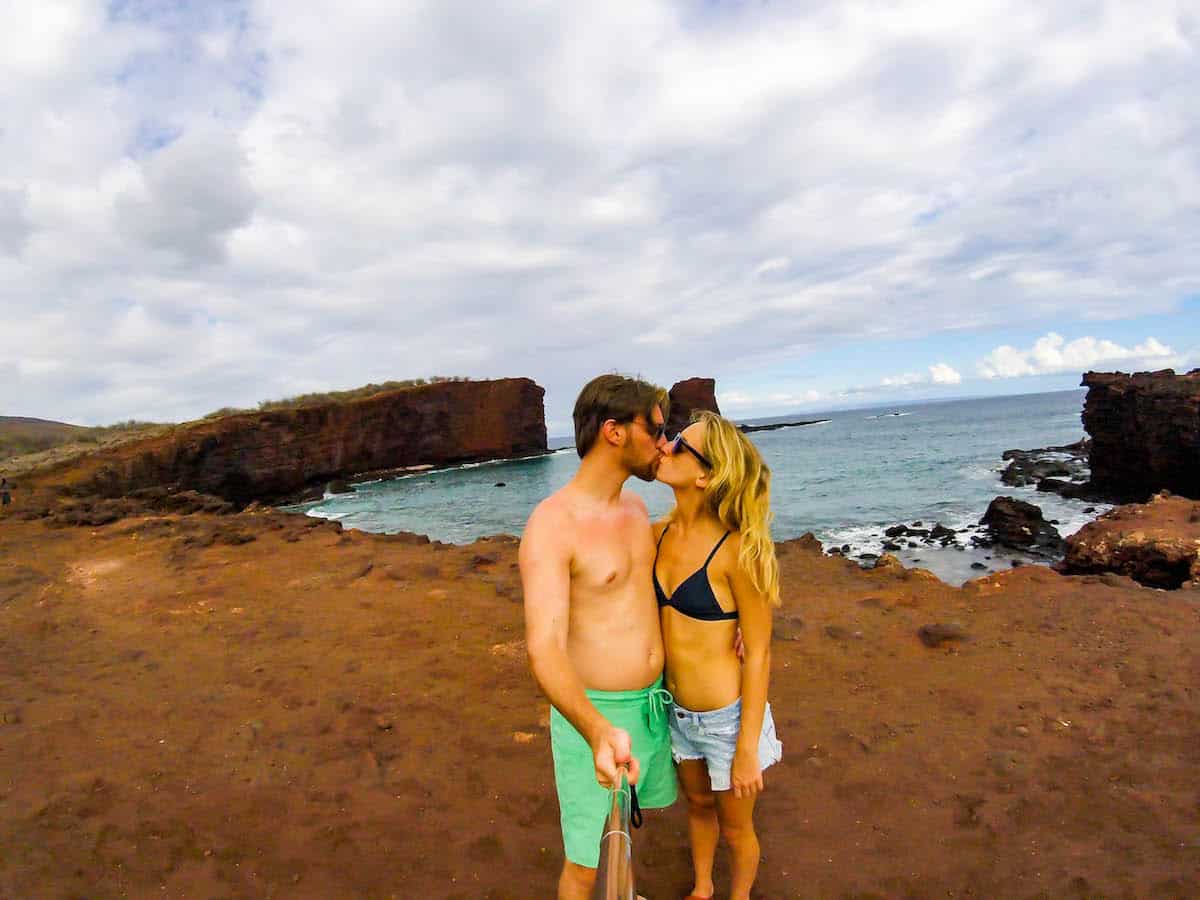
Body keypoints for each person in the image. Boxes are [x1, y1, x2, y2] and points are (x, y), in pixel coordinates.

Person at [520, 374, 678, 900]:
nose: (665, 441)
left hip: (654, 705)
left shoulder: (636, 509)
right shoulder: (552, 525)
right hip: (598, 714)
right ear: (614, 431)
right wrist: (594, 731)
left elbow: (654, 591)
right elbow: (544, 649)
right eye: (655, 428)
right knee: (586, 864)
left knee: (626, 839)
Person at [652, 411, 783, 900]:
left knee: (736, 828)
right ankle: (703, 888)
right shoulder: (656, 535)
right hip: (677, 713)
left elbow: (761, 651)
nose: (665, 446)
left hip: (727, 721)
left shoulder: (736, 552)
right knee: (699, 806)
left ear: (705, 474)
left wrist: (748, 748)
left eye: (679, 444)